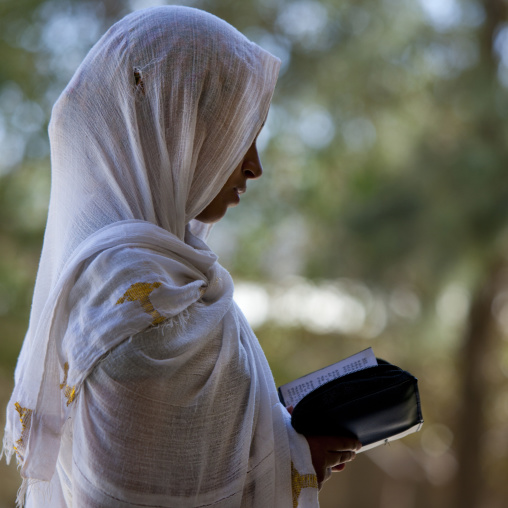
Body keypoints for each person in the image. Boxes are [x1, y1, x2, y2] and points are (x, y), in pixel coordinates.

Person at [2, 6, 360, 507]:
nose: (254, 165)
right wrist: (297, 459)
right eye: (238, 135)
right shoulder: (131, 294)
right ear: (175, 131)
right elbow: (148, 486)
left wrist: (288, 446)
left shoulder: (156, 276)